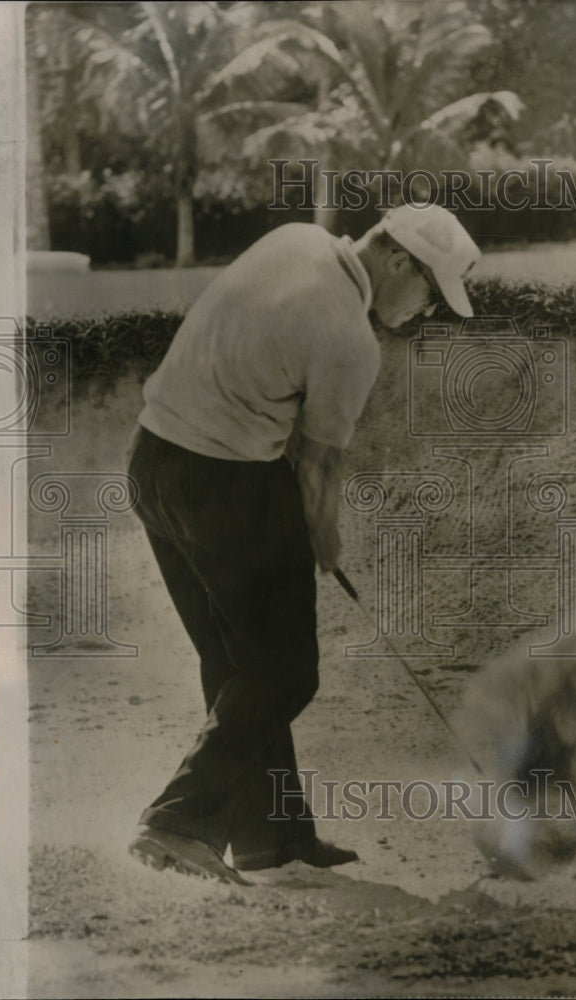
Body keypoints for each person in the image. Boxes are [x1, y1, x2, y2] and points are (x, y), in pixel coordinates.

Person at [126, 203, 481, 884]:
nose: (426, 311)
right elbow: (317, 464)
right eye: (431, 292)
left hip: (151, 463)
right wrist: (324, 541)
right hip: (221, 483)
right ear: (400, 261)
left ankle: (273, 839)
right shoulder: (352, 339)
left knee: (240, 663)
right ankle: (176, 820)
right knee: (286, 670)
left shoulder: (294, 241)